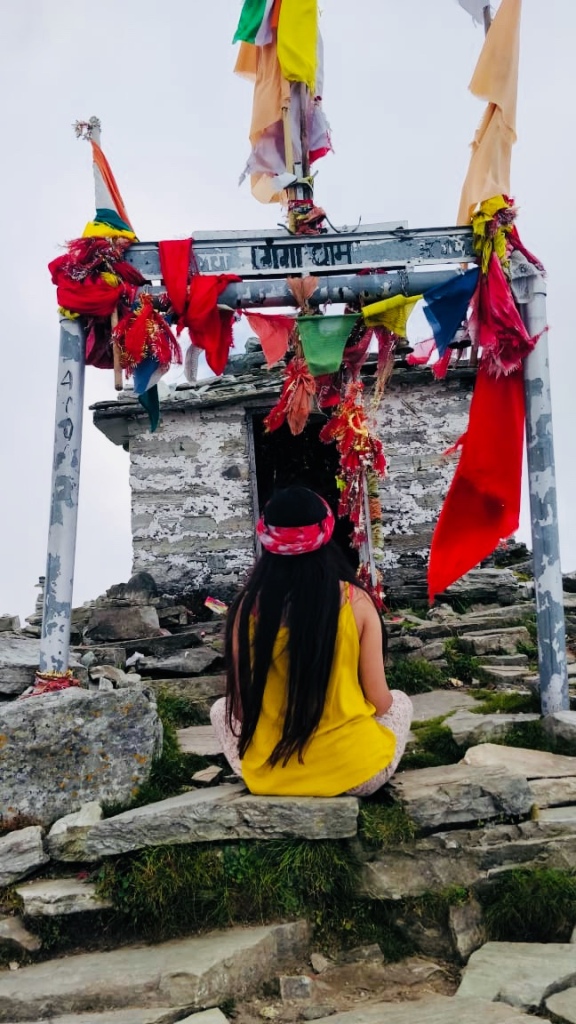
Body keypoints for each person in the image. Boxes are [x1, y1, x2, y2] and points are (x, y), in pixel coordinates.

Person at [210, 486, 413, 796]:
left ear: (266, 536)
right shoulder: (356, 602)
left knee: (219, 709)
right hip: (357, 775)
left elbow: (237, 711)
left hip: (270, 778)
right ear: (326, 532)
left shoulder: (243, 610)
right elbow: (380, 701)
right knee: (400, 701)